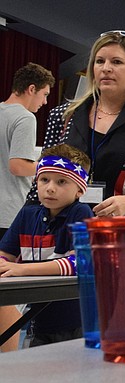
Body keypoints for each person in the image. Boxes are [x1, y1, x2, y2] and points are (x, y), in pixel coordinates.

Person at [30, 31, 125, 216]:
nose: (106, 68)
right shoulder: (62, 116)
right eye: (99, 61)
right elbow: (41, 177)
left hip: (124, 234)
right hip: (65, 230)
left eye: (116, 62)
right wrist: (27, 222)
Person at [0, 144, 94, 346]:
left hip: (76, 323)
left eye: (61, 182)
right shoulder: (27, 214)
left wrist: (21, 269)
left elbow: (80, 262)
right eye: (44, 180)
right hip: (38, 321)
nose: (50, 188)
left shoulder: (81, 213)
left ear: (79, 189)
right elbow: (5, 253)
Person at [0, 62, 54, 352]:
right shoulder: (24, 118)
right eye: (44, 94)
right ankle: (8, 364)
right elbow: (18, 165)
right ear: (31, 89)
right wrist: (50, 168)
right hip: (8, 216)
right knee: (8, 296)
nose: (44, 102)